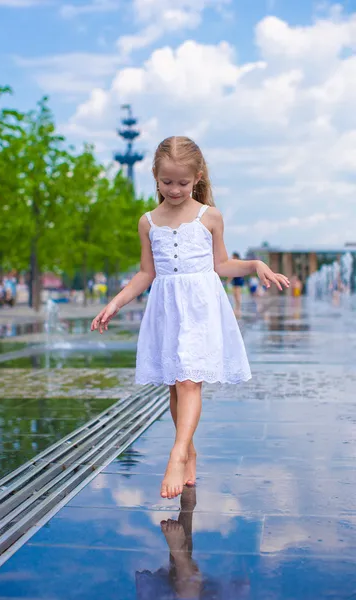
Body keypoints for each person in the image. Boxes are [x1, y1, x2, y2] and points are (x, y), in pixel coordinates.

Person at [91, 136, 290, 500]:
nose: (175, 189)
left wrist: (256, 265)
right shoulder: (148, 221)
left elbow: (222, 264)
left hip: (200, 308)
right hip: (167, 308)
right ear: (155, 176)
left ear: (197, 177)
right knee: (174, 385)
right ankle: (191, 449)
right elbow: (145, 273)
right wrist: (115, 302)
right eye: (167, 182)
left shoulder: (208, 216)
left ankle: (177, 454)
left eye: (182, 182)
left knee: (188, 382)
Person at [229, 252, 245, 317]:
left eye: (233, 256)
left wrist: (229, 280)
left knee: (237, 295)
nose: (232, 258)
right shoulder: (237, 263)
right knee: (235, 295)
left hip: (238, 280)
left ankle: (238, 309)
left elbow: (233, 273)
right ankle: (237, 308)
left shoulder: (237, 263)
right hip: (236, 280)